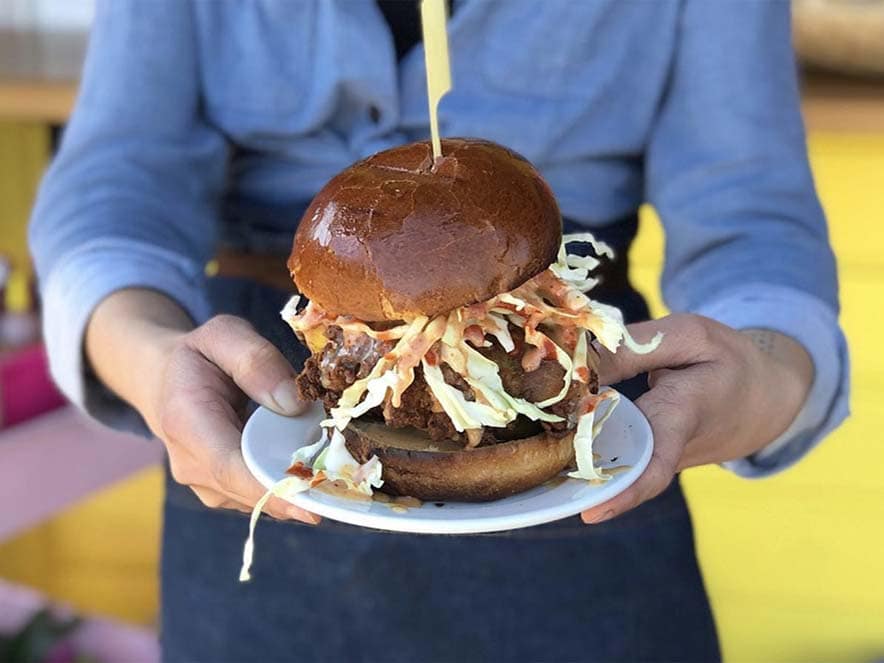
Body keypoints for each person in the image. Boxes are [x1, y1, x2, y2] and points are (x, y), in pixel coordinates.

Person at [29, 1, 849, 661]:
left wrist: (767, 370)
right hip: (259, 413)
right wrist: (145, 355)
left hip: (581, 433)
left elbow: (753, 216)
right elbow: (116, 180)